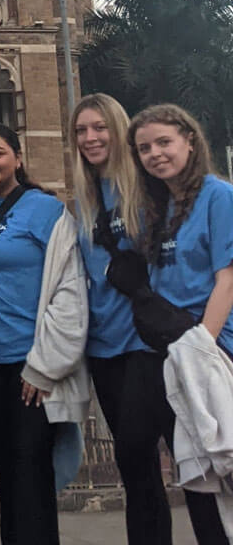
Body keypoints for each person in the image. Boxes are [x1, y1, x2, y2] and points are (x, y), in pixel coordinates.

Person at [0, 123, 89, 545]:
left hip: (33, 365)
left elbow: (71, 289)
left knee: (31, 468)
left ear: (17, 157)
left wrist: (45, 366)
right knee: (7, 468)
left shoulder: (46, 211)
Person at [125, 103, 233, 545]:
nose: (155, 154)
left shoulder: (218, 195)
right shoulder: (158, 206)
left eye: (163, 142)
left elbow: (227, 277)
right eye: (144, 148)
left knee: (217, 467)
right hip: (165, 350)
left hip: (209, 347)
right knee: (172, 462)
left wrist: (202, 347)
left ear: (190, 140)